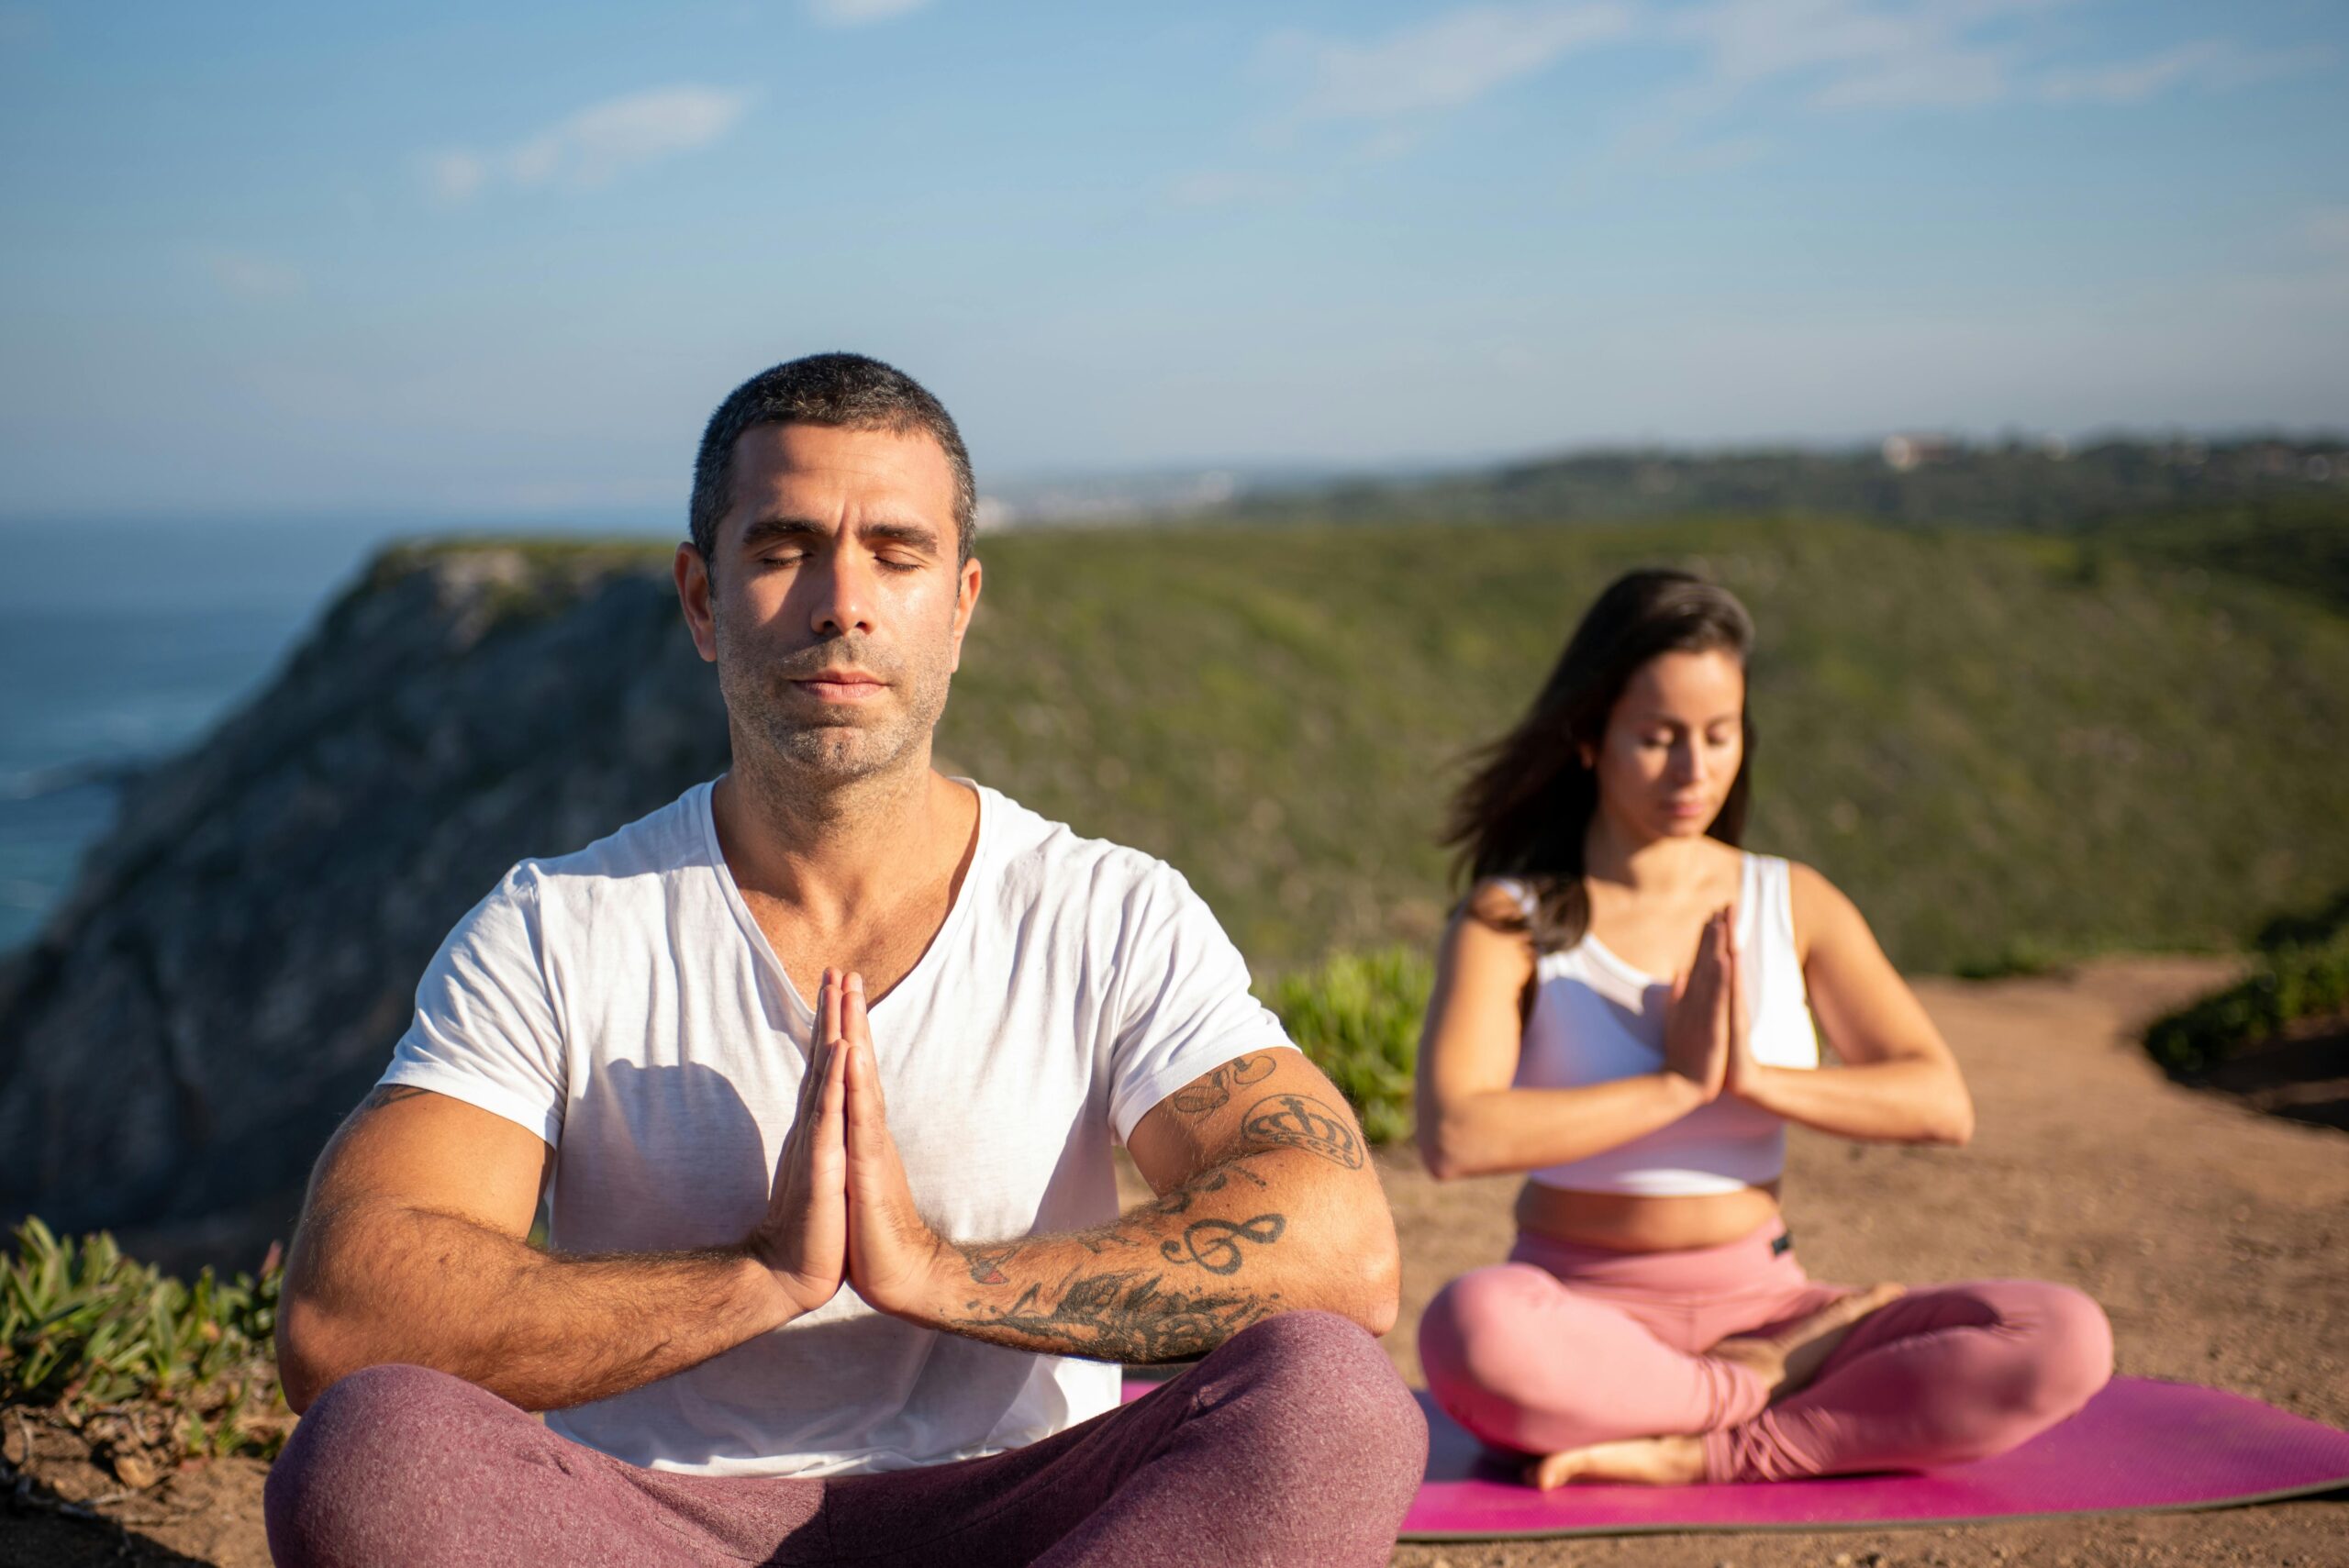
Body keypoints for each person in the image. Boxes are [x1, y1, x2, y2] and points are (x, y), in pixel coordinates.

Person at [264, 352, 1424, 1568]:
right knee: (373, 1447)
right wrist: (757, 1277)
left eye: (897, 552)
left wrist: (936, 1273)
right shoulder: (560, 926)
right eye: (782, 549)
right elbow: (348, 1312)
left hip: (1031, 1520)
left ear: (962, 604)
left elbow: (1343, 1246)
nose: (842, 602)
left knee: (1330, 1400)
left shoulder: (1108, 911)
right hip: (652, 1529)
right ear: (702, 600)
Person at [1413, 568, 2112, 1489]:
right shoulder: (1515, 917)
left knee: (2062, 1336)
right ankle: (1751, 1390)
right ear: (1586, 733)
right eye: (1657, 738)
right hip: (1580, 1311)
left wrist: (1751, 1076)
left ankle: (1707, 1439)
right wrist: (1673, 1085)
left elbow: (1940, 1101)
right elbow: (1456, 1135)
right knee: (1469, 1329)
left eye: (1718, 734)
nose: (1693, 771)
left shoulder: (1793, 901)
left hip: (1776, 1300)